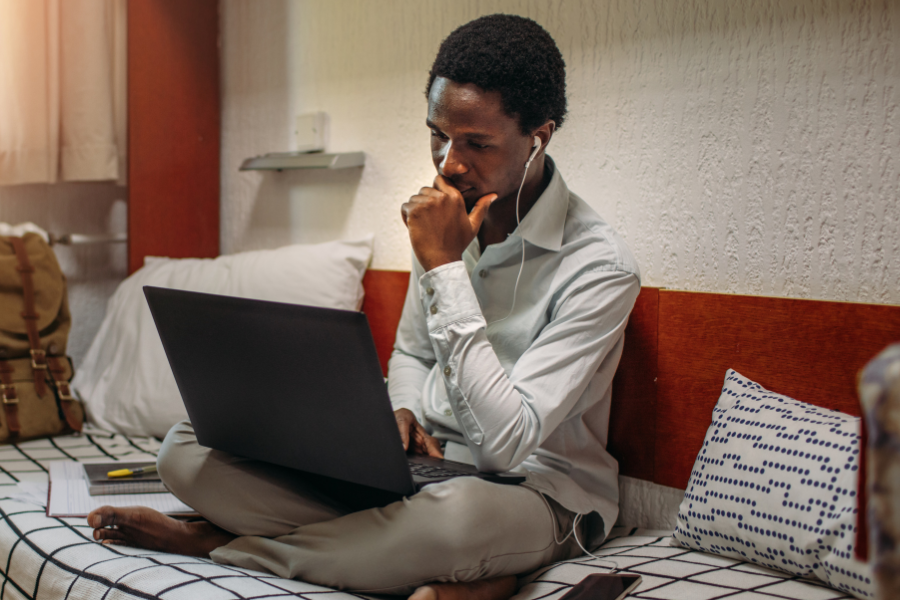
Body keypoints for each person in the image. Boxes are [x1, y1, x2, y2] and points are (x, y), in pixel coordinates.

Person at [88, 14, 640, 600]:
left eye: (476, 144)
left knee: (453, 522)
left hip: (535, 492)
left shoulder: (600, 267)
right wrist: (402, 410)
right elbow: (410, 351)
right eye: (438, 135)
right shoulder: (445, 216)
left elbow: (506, 443)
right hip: (416, 476)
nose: (449, 163)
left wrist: (447, 268)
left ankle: (211, 543)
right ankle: (459, 578)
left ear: (539, 136)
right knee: (186, 449)